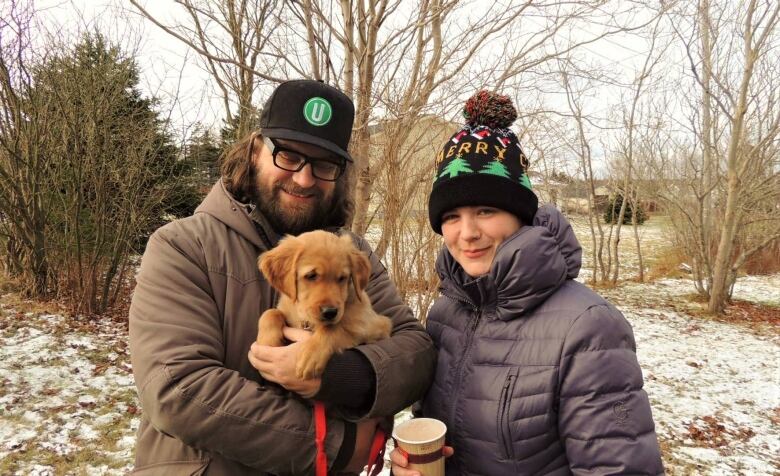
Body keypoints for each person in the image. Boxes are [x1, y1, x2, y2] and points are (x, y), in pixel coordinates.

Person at [129, 79, 436, 475]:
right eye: (288, 156)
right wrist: (333, 447)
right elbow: (178, 389)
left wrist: (344, 375)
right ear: (256, 150)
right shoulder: (183, 246)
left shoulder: (349, 253)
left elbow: (417, 354)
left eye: (324, 165)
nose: (305, 179)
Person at [390, 91, 664, 475]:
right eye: (451, 216)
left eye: (485, 211)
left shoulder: (588, 329)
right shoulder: (445, 311)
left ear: (519, 216)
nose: (466, 233)